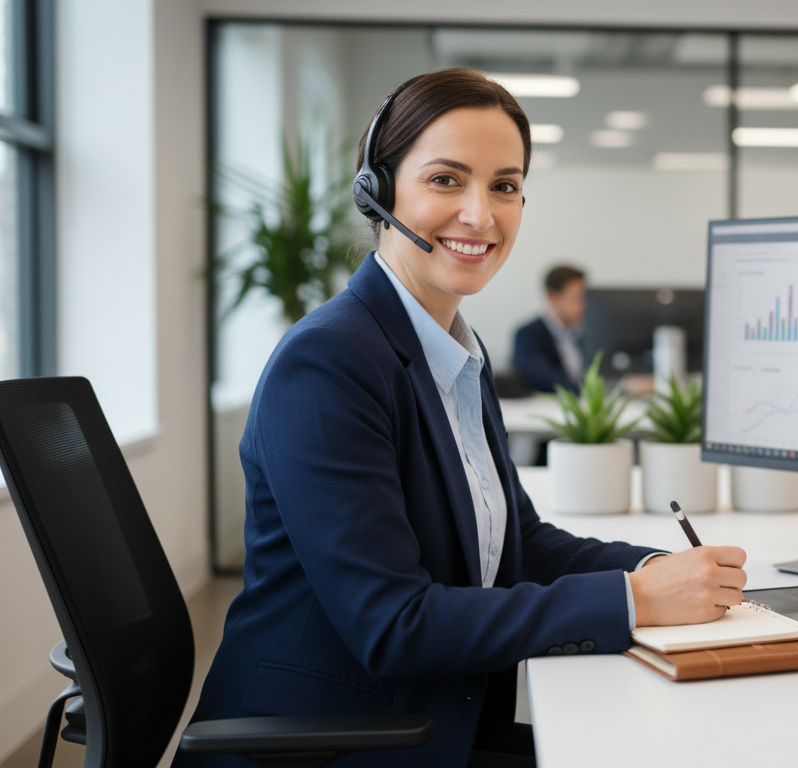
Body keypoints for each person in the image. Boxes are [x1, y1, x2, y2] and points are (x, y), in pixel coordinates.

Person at [176, 69, 747, 768]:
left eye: (505, 186)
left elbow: (520, 544)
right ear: (377, 191)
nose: (481, 215)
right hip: (329, 743)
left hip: (427, 720)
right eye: (446, 180)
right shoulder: (328, 362)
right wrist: (631, 601)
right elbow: (395, 625)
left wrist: (666, 570)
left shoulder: (450, 352)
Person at [512, 265, 586, 393]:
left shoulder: (582, 334)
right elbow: (545, 380)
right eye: (576, 299)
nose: (583, 306)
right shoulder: (528, 335)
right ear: (552, 296)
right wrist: (601, 391)